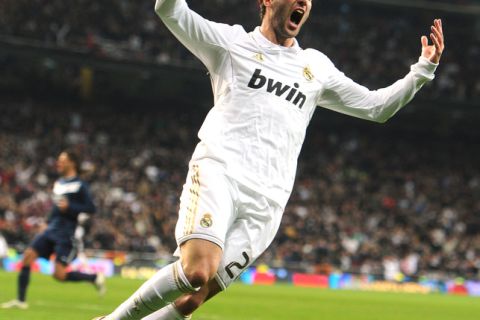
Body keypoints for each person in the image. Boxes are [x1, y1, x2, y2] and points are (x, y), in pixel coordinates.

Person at [94, 0, 444, 319]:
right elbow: (169, 11)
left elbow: (376, 108)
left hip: (269, 204)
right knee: (196, 271)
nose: (304, 3)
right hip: (221, 174)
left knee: (192, 299)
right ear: (266, 2)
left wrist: (422, 70)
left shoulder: (315, 67)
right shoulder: (231, 44)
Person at [1, 150, 106, 310]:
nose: (59, 163)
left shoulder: (80, 185)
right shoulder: (59, 183)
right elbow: (56, 208)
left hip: (66, 233)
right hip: (52, 229)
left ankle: (93, 278)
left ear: (72, 163)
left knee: (59, 275)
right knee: (28, 256)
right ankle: (20, 301)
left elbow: (91, 208)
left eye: (62, 160)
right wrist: (47, 222)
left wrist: (70, 207)